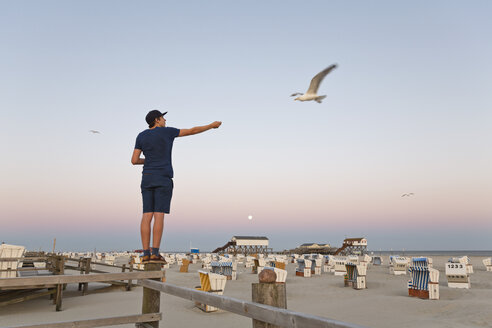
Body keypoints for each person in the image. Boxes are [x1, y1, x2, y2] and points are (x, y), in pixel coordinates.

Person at [132, 110, 222, 262]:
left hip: (147, 178)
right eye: (163, 117)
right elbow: (192, 131)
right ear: (157, 120)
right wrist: (211, 126)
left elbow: (134, 160)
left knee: (147, 215)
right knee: (159, 215)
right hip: (162, 178)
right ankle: (155, 253)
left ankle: (146, 253)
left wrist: (148, 161)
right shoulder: (167, 132)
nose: (165, 120)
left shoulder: (141, 135)